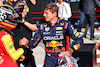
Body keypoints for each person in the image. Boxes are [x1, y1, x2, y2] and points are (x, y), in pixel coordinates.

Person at [19, 3, 83, 67]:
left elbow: (79, 39)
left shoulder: (65, 25)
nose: (44, 15)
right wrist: (26, 43)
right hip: (49, 60)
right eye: (44, 13)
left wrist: (71, 50)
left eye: (46, 13)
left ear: (54, 14)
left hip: (63, 58)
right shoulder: (42, 27)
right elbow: (33, 44)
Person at [12, 1, 37, 67]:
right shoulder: (12, 20)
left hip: (26, 50)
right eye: (20, 8)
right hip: (15, 51)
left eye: (24, 8)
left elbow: (34, 28)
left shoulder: (28, 18)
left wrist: (23, 21)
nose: (22, 10)